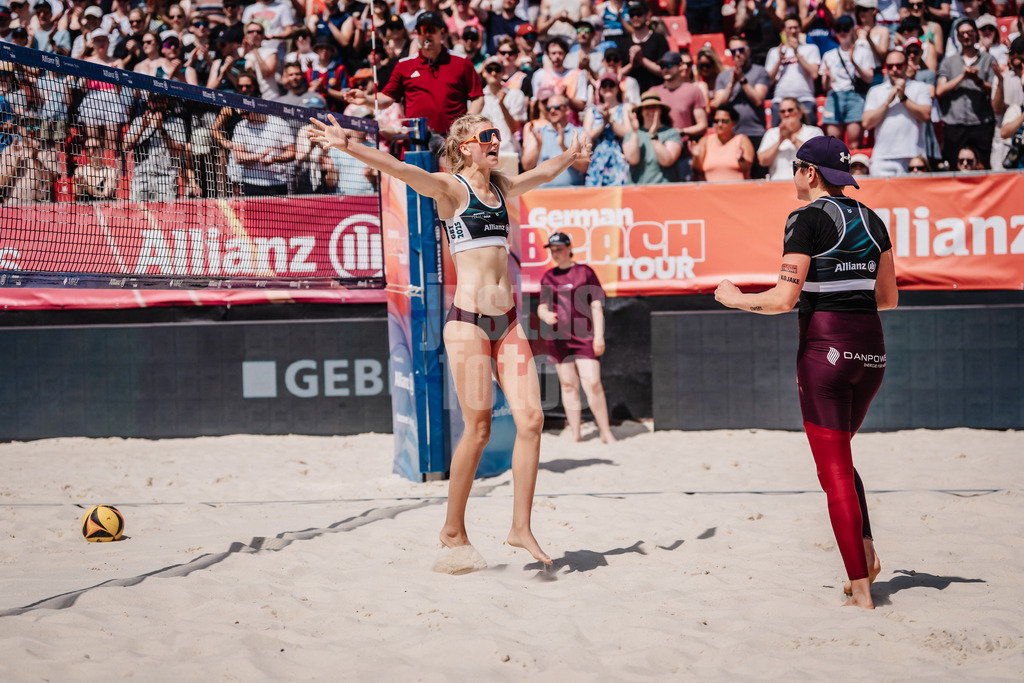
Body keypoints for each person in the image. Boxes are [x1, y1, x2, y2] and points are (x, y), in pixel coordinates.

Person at [308, 112, 595, 569]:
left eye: (497, 135)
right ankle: (452, 528)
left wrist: (570, 154)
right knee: (478, 430)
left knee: (532, 420)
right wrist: (348, 145)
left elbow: (541, 173)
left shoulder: (501, 187)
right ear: (466, 147)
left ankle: (520, 528)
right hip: (467, 324)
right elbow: (400, 169)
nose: (496, 141)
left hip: (508, 323)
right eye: (487, 137)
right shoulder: (451, 189)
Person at [714, 135, 899, 610]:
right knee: (840, 457)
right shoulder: (873, 219)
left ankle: (861, 588)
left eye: (795, 167)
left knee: (833, 469)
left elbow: (782, 300)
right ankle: (867, 553)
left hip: (826, 351)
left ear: (809, 173)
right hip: (872, 352)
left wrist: (735, 299)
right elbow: (888, 299)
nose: (793, 175)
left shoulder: (806, 217)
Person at [349, 12, 484, 145]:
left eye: (431, 29)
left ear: (442, 33)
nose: (427, 34)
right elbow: (387, 97)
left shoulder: (461, 62)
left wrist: (463, 127)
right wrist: (366, 99)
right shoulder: (404, 65)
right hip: (416, 142)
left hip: (452, 141)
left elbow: (478, 98)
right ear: (416, 34)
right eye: (422, 30)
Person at [537, 232, 617, 444]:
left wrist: (598, 336)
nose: (556, 254)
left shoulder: (585, 272)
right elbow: (541, 307)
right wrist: (545, 315)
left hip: (585, 336)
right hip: (558, 338)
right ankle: (576, 434)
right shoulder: (548, 277)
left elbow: (596, 305)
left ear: (570, 248)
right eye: (552, 250)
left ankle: (606, 432)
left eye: (559, 249)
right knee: (568, 385)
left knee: (593, 383)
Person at [937, 18, 998, 167]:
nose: (966, 36)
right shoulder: (949, 62)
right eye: (962, 33)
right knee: (954, 166)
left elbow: (996, 90)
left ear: (976, 34)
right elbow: (940, 90)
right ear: (957, 37)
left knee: (983, 166)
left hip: (981, 124)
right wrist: (962, 77)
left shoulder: (988, 60)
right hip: (954, 124)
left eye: (969, 32)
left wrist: (977, 80)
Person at [861, 49, 933, 174]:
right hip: (882, 158)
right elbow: (866, 123)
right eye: (890, 66)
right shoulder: (875, 91)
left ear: (906, 66)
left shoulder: (920, 87)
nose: (894, 69)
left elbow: (926, 115)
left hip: (913, 157)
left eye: (898, 66)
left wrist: (903, 98)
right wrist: (887, 102)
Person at [712, 35, 771, 177]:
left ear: (748, 51)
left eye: (741, 50)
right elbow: (718, 103)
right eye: (733, 51)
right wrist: (732, 83)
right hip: (731, 135)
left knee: (758, 177)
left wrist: (742, 80)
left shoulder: (760, 72)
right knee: (733, 174)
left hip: (755, 132)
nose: (737, 54)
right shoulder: (723, 76)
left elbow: (758, 100)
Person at [650, 51, 708, 181]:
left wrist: (681, 131)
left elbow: (702, 124)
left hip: (684, 155)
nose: (665, 69)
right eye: (662, 66)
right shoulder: (653, 92)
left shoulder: (693, 90)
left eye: (669, 65)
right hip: (658, 154)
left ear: (680, 66)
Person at [821, 14, 874, 149]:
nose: (842, 32)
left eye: (846, 28)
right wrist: (827, 77)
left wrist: (853, 62)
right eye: (839, 29)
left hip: (855, 96)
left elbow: (869, 78)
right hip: (834, 96)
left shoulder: (864, 52)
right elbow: (825, 86)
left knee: (855, 145)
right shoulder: (829, 55)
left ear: (852, 30)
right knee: (833, 145)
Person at [123, 93, 188, 202]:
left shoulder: (177, 122)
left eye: (161, 101)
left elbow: (178, 152)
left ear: (166, 102)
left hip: (166, 179)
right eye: (155, 101)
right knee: (136, 212)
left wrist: (161, 129)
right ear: (149, 103)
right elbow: (125, 146)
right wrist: (142, 129)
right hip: (141, 178)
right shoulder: (139, 121)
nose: (158, 104)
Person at [522, 93, 590, 187]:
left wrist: (563, 147)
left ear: (567, 110)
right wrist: (538, 147)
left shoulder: (580, 133)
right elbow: (526, 166)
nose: (552, 111)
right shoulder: (537, 133)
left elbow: (585, 167)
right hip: (542, 193)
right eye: (548, 108)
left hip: (572, 193)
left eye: (557, 107)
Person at [765, 15, 822, 126]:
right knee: (779, 135)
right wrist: (780, 60)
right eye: (790, 28)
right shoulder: (774, 52)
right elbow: (768, 80)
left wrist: (797, 53)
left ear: (800, 29)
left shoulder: (811, 48)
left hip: (805, 100)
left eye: (796, 27)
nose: (793, 31)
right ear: (783, 30)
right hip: (780, 101)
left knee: (809, 135)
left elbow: (814, 74)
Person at [622, 90, 683, 184]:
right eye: (647, 107)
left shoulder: (671, 133)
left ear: (660, 110)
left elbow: (667, 161)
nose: (650, 110)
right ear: (641, 112)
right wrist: (635, 132)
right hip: (636, 189)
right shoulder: (631, 134)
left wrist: (653, 135)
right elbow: (632, 159)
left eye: (654, 107)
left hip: (663, 189)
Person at [758, 98, 825, 179]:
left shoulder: (814, 132)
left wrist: (792, 138)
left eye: (790, 110)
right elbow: (762, 161)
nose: (786, 114)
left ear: (800, 112)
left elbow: (817, 158)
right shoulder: (771, 133)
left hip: (807, 183)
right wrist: (780, 140)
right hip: (777, 183)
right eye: (783, 111)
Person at [583, 72, 631, 186]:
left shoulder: (625, 107)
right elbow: (588, 136)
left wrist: (610, 120)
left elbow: (629, 134)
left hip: (619, 159)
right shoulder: (592, 110)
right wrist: (604, 124)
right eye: (604, 85)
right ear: (600, 90)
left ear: (617, 88)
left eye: (611, 85)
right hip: (597, 160)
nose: (608, 88)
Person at [691, 104, 755, 181]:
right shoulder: (704, 141)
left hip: (737, 187)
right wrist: (697, 157)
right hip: (710, 188)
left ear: (733, 123)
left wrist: (741, 159)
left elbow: (746, 168)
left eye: (724, 121)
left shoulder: (742, 140)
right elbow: (697, 170)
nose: (720, 124)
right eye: (716, 121)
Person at [73, 136, 119, 201]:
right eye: (87, 149)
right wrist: (78, 185)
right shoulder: (79, 171)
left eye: (94, 148)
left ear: (102, 150)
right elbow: (76, 196)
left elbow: (106, 196)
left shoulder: (110, 172)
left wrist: (86, 186)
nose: (91, 151)